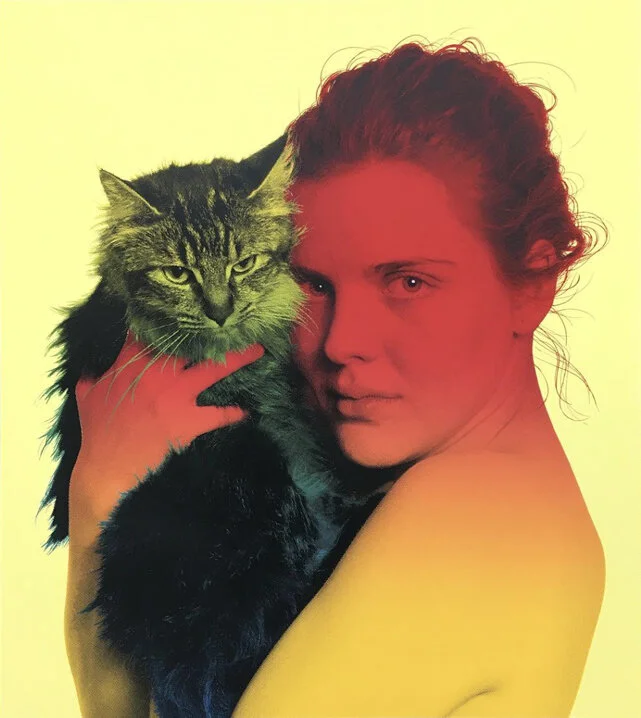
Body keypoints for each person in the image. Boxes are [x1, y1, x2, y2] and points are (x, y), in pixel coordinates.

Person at [65, 39, 605, 717]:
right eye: (315, 284)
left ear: (532, 282)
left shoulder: (469, 514)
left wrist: (100, 496)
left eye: (409, 282)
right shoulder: (477, 498)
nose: (342, 341)